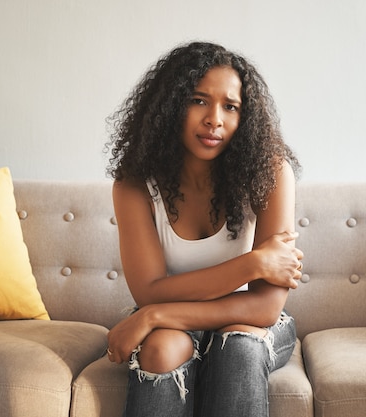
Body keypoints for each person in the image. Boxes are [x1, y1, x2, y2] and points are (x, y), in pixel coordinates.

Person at [105, 41, 303, 417]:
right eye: (199, 101)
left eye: (231, 106)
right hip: (175, 321)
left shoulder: (270, 174)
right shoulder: (133, 186)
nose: (215, 119)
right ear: (170, 106)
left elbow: (265, 306)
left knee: (239, 346)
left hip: (247, 319)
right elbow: (148, 290)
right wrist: (253, 265)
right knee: (160, 350)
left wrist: (153, 315)